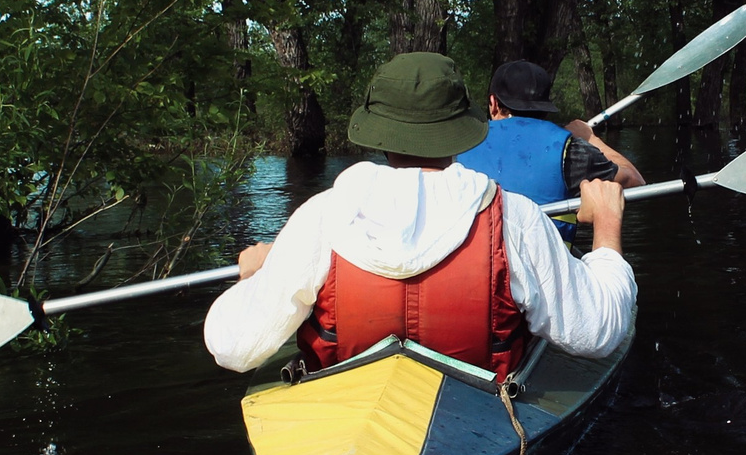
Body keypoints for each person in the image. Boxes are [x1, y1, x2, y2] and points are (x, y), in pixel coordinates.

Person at [203, 52, 636, 378]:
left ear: (378, 132)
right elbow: (599, 331)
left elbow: (232, 347)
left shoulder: (321, 217)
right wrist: (607, 230)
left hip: (347, 399)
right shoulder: (516, 219)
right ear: (459, 128)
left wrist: (255, 277)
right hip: (482, 394)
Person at [455, 59, 648, 212]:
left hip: (476, 260)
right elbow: (635, 181)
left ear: (493, 103)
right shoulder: (570, 150)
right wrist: (591, 138)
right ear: (545, 106)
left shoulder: (455, 146)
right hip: (545, 262)